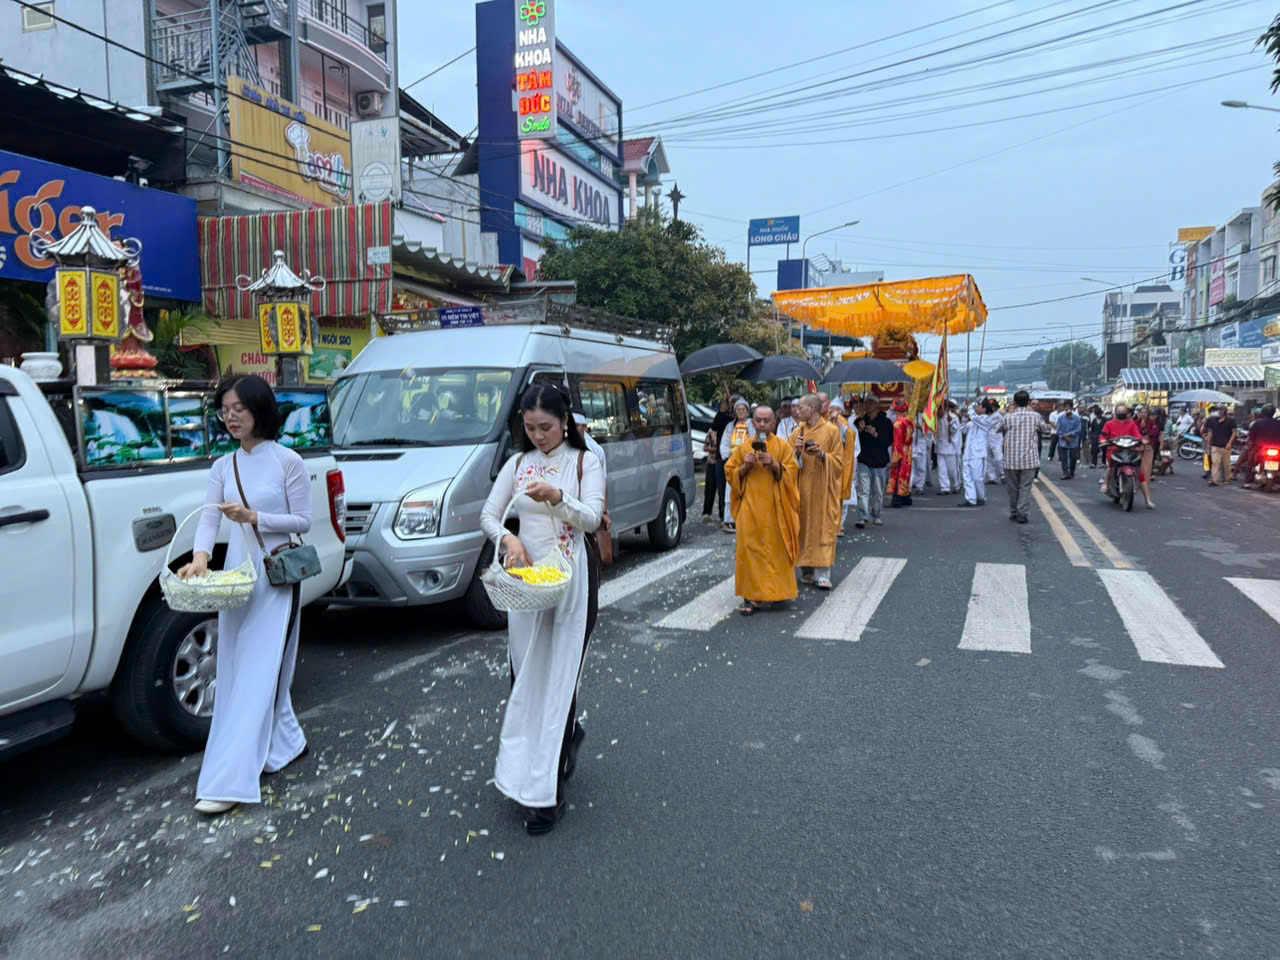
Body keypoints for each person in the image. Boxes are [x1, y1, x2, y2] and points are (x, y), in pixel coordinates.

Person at [178, 375, 312, 816]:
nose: (231, 416)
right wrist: (200, 559)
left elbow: (302, 522)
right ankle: (285, 742)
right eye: (225, 409)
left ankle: (229, 778)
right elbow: (208, 522)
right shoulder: (222, 467)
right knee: (236, 669)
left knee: (261, 672)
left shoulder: (287, 461)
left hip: (275, 576)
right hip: (237, 579)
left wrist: (255, 516)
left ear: (260, 410)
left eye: (239, 408)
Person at [480, 384, 605, 835]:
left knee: (559, 677)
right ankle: (547, 755)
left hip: (572, 576)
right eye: (530, 428)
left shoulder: (585, 460)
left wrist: (558, 498)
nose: (539, 436)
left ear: (565, 420)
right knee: (526, 674)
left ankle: (545, 796)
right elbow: (489, 515)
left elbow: (591, 518)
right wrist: (508, 538)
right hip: (528, 582)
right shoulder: (517, 464)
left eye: (547, 427)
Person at [725, 405, 800, 615]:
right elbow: (730, 473)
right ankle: (754, 597)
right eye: (758, 420)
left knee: (776, 551)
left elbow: (792, 472)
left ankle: (777, 592)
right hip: (750, 508)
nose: (762, 424)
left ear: (774, 422)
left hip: (776, 509)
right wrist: (745, 467)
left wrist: (775, 466)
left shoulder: (783, 447)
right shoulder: (743, 447)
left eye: (767, 420)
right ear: (752, 422)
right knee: (750, 551)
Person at [791, 395, 843, 590]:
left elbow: (839, 463)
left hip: (822, 488)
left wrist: (822, 455)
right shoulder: (797, 432)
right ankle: (806, 569)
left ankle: (823, 573)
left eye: (801, 407)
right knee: (803, 527)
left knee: (822, 527)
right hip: (802, 487)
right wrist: (796, 452)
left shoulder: (831, 431)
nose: (797, 411)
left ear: (812, 408)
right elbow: (788, 463)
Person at [999, 389, 1051, 524]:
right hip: (1029, 459)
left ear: (1014, 403)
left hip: (1011, 459)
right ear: (1028, 402)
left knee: (1013, 488)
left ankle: (1014, 512)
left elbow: (999, 429)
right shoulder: (1035, 416)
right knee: (1025, 488)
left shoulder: (1008, 417)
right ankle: (1022, 513)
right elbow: (1046, 429)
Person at [1098, 403, 1153, 508]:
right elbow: (1103, 436)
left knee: (1140, 473)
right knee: (1111, 467)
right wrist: (1103, 440)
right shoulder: (1109, 424)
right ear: (1116, 412)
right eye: (1119, 411)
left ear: (1126, 413)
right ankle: (1106, 483)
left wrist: (1142, 440)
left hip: (1130, 451)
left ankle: (1148, 500)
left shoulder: (1131, 424)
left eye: (1123, 411)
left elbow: (1137, 435)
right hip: (1114, 450)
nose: (1121, 413)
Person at [854, 395, 893, 527]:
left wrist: (875, 434)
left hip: (879, 461)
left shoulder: (886, 422)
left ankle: (876, 514)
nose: (867, 405)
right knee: (863, 490)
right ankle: (862, 516)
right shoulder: (860, 421)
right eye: (866, 402)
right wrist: (859, 429)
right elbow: (855, 441)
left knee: (877, 491)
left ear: (877, 405)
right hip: (863, 459)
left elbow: (888, 441)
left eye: (870, 403)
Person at [719, 397, 755, 532]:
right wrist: (727, 455)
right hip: (734, 461)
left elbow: (754, 439)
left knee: (748, 490)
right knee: (730, 490)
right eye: (738, 410)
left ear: (747, 411)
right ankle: (730, 520)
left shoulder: (752, 424)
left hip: (748, 461)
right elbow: (724, 443)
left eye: (743, 409)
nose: (740, 412)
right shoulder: (730, 426)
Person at [961, 399, 1000, 505]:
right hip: (968, 453)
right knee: (967, 477)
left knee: (977, 477)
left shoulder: (986, 420)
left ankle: (981, 497)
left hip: (978, 453)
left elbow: (974, 417)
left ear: (984, 409)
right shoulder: (973, 421)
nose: (976, 408)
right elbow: (963, 429)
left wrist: (969, 408)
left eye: (978, 406)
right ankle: (970, 499)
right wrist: (964, 418)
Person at [702, 394, 734, 524]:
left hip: (728, 458)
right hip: (715, 460)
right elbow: (706, 445)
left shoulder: (735, 422)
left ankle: (724, 514)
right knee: (712, 488)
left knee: (725, 490)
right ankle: (708, 512)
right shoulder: (719, 422)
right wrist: (714, 450)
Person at [1242, 403, 1280, 488]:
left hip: (1261, 449)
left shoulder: (1257, 423)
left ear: (1263, 412)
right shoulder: (1278, 423)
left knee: (1250, 460)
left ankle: (1247, 482)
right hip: (1277, 449)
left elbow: (1251, 438)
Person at [886, 398, 915, 507]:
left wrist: (895, 459)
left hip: (900, 452)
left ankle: (897, 500)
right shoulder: (909, 421)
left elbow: (897, 442)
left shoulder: (897, 424)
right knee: (906, 475)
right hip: (908, 451)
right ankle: (906, 498)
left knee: (897, 475)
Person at [1202, 404, 1236, 487]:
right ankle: (1214, 480)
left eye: (1220, 410)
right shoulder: (1213, 420)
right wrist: (1208, 444)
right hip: (1215, 445)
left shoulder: (1230, 421)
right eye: (1218, 410)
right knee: (1215, 462)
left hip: (1226, 446)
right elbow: (1210, 432)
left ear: (1224, 411)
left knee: (1226, 464)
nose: (1218, 412)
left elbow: (1234, 433)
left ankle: (1227, 478)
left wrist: (1229, 443)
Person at [934, 400, 962, 495]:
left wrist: (951, 424)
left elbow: (954, 431)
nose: (938, 412)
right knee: (941, 468)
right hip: (940, 447)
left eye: (940, 410)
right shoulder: (936, 418)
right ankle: (944, 487)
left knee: (952, 469)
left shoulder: (953, 417)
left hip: (951, 447)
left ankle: (957, 485)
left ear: (945, 409)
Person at [1134, 405, 1160, 489]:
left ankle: (1145, 483)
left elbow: (1155, 433)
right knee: (1137, 465)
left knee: (1147, 465)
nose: (1143, 414)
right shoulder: (1135, 422)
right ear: (1139, 413)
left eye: (1145, 412)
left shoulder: (1152, 423)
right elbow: (1133, 433)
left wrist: (1146, 432)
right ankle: (1136, 482)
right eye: (1142, 412)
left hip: (1148, 446)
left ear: (1148, 413)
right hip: (1137, 446)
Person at [1057, 402, 1083, 479]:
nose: (1066, 409)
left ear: (1071, 408)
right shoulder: (1061, 417)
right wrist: (1064, 436)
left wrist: (1069, 435)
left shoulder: (1077, 418)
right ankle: (1065, 472)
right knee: (1063, 458)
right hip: (1063, 441)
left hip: (1073, 441)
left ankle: (1071, 472)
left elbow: (1078, 429)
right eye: (1065, 407)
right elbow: (1058, 430)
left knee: (1073, 458)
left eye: (1068, 407)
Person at [912, 408, 934, 494]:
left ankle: (919, 487)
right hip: (911, 445)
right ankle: (909, 486)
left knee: (921, 468)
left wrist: (921, 429)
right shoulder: (910, 415)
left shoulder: (926, 417)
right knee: (911, 469)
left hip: (921, 446)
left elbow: (929, 432)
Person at [984, 399, 1005, 485]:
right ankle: (991, 477)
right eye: (990, 406)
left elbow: (986, 424)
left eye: (993, 406)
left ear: (996, 407)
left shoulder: (998, 416)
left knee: (998, 458)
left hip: (996, 440)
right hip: (987, 439)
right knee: (988, 459)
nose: (991, 408)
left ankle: (1002, 475)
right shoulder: (987, 416)